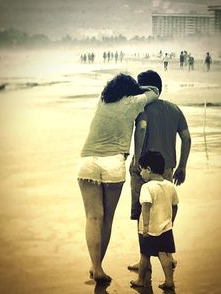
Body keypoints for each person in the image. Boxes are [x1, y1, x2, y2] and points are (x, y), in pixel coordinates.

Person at [77, 73, 159, 283]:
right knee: (107, 218)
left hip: (87, 161)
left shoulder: (102, 100)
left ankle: (96, 266)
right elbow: (154, 93)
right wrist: (141, 90)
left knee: (92, 217)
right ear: (131, 90)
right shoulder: (134, 102)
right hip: (113, 162)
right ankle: (97, 267)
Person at [128, 70, 191, 271]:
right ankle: (168, 257)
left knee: (142, 215)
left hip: (144, 170)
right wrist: (182, 166)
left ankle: (144, 261)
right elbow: (187, 138)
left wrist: (136, 159)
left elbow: (142, 128)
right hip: (167, 170)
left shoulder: (142, 109)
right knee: (164, 215)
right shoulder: (174, 109)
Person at [130, 151, 179, 289]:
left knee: (145, 255)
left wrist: (145, 227)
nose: (140, 174)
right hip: (165, 227)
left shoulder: (146, 187)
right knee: (164, 255)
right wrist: (171, 221)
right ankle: (169, 281)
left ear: (149, 169)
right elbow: (175, 206)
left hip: (150, 229)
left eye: (142, 170)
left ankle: (140, 279)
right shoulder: (170, 185)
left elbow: (145, 207)